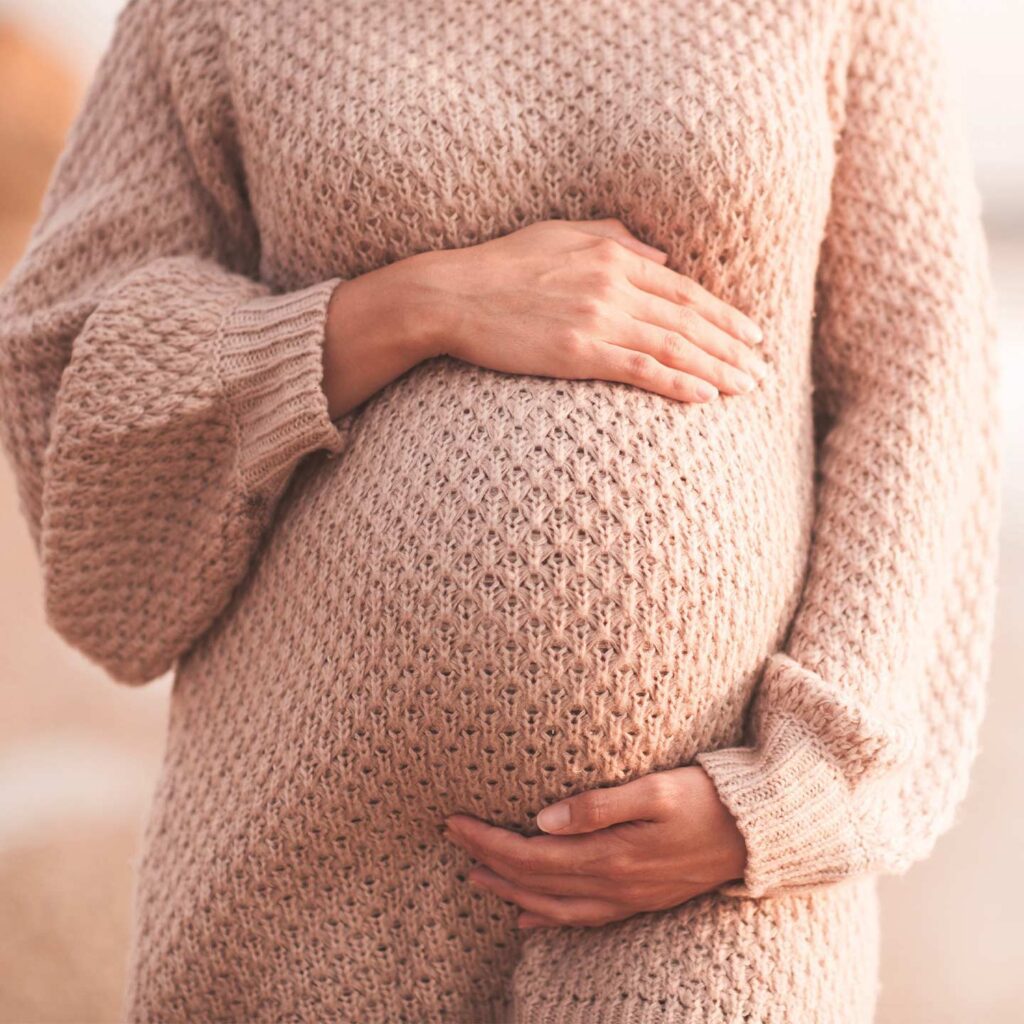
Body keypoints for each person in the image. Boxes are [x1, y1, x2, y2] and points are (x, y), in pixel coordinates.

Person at [0, 0, 1002, 1020]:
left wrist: (800, 789)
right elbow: (68, 354)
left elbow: (919, 372)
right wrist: (417, 304)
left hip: (712, 886)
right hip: (309, 866)